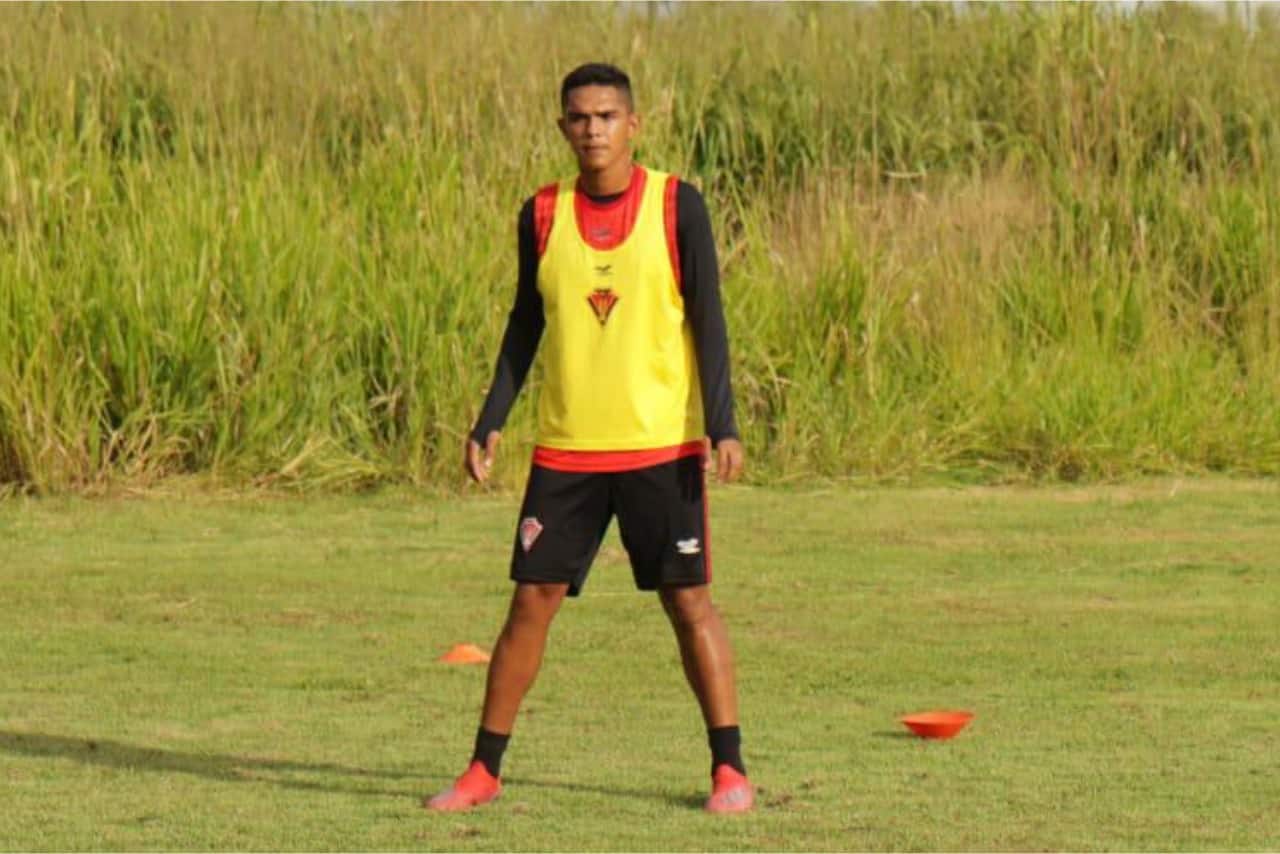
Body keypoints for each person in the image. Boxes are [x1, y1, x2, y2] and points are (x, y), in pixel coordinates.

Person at [425, 63, 751, 814]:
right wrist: (491, 418)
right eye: (579, 117)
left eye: (607, 116)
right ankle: (482, 771)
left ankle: (729, 770)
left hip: (660, 449)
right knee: (530, 602)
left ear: (633, 124)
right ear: (562, 127)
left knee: (690, 603)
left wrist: (722, 425)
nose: (593, 129)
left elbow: (709, 320)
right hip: (567, 451)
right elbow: (523, 324)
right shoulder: (542, 213)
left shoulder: (678, 206)